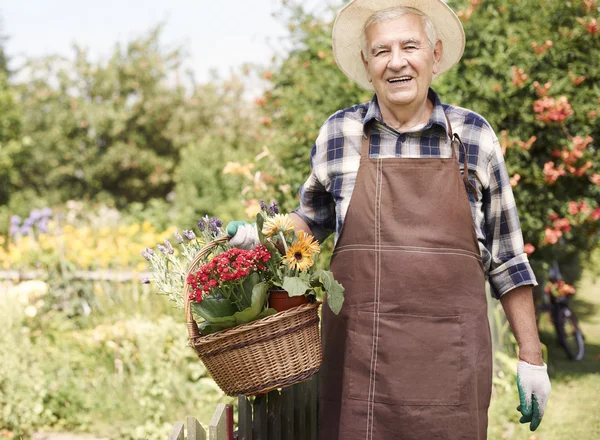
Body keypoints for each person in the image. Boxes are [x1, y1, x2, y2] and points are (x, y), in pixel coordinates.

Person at [228, 0, 551, 438]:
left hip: (450, 364)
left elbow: (508, 258)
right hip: (360, 365)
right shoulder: (339, 135)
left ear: (434, 55)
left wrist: (531, 357)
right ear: (366, 63)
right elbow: (311, 222)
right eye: (381, 51)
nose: (396, 62)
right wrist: (264, 237)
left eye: (409, 46)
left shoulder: (473, 136)